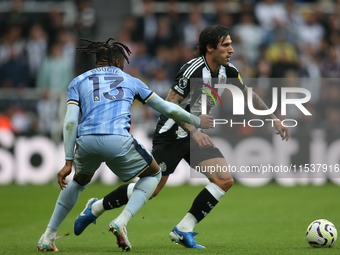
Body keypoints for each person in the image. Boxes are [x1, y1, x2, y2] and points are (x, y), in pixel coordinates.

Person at [73, 25, 290, 249]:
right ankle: (96, 207)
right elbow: (170, 104)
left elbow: (247, 94)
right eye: (226, 45)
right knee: (153, 188)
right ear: (210, 47)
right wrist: (194, 131)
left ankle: (183, 229)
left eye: (231, 44)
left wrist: (273, 118)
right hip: (170, 134)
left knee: (224, 180)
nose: (232, 50)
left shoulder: (229, 71)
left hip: (193, 136)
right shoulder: (192, 69)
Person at [36, 37, 214, 252]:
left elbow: (71, 120)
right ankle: (121, 221)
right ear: (119, 62)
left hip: (86, 141)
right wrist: (196, 120)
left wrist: (68, 160)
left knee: (78, 182)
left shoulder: (78, 81)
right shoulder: (131, 80)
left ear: (97, 62)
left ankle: (48, 235)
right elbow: (168, 109)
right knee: (154, 175)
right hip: (117, 140)